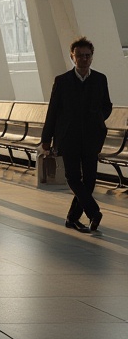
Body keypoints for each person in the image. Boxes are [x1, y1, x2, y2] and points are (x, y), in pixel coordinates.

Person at [41, 36, 112, 233]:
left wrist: (97, 118)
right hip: (68, 137)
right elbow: (53, 110)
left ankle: (72, 218)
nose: (84, 59)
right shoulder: (62, 81)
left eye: (87, 56)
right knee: (73, 177)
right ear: (72, 57)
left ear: (92, 57)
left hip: (92, 137)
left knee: (89, 180)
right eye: (79, 56)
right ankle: (93, 212)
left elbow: (107, 105)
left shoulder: (100, 79)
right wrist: (46, 139)